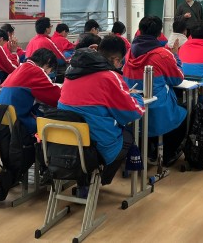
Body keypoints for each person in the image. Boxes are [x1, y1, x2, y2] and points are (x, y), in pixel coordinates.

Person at [58, 36, 145, 186]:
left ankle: (85, 181)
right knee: (128, 137)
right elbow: (133, 112)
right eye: (121, 62)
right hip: (95, 144)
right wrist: (137, 97)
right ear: (115, 59)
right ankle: (98, 180)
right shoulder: (110, 77)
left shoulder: (71, 72)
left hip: (66, 141)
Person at [123, 16, 187, 166]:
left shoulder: (129, 52)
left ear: (140, 30)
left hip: (133, 107)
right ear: (159, 33)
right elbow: (177, 79)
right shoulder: (162, 54)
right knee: (184, 113)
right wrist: (176, 55)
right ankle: (168, 154)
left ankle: (150, 148)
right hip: (157, 109)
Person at [0, 49, 61, 135]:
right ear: (48, 62)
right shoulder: (36, 71)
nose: (49, 73)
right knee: (54, 124)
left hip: (1, 120)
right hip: (19, 123)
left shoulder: (20, 68)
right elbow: (58, 98)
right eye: (51, 70)